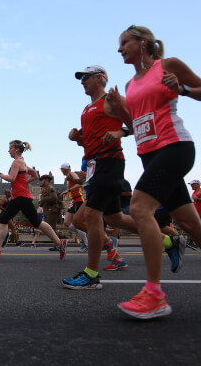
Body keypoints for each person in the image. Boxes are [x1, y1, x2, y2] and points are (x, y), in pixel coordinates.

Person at [107, 25, 201, 319]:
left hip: (175, 147)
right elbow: (136, 127)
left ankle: (154, 294)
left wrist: (182, 90)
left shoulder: (166, 65)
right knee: (188, 222)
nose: (119, 48)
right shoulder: (130, 84)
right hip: (150, 155)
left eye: (124, 43)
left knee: (138, 208)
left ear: (142, 42)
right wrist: (120, 109)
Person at [62, 65, 136, 289]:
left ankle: (91, 274)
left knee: (91, 217)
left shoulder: (111, 99)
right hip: (96, 166)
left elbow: (136, 123)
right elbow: (92, 142)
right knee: (115, 219)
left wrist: (120, 131)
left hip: (109, 162)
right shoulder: (86, 109)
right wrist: (78, 139)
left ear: (100, 79)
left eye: (85, 77)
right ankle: (167, 238)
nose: (82, 81)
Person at [0, 140, 67, 259]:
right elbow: (35, 175)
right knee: (4, 218)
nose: (9, 151)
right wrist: (23, 182)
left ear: (16, 149)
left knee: (37, 222)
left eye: (10, 148)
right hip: (18, 197)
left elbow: (11, 178)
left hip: (22, 197)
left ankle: (60, 243)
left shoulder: (16, 162)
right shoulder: (22, 162)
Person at [59, 163, 88, 252]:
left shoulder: (72, 174)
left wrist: (67, 190)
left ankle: (86, 243)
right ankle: (86, 234)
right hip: (72, 201)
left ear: (65, 169)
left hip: (78, 200)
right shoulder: (68, 177)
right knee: (67, 223)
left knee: (77, 223)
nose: (61, 171)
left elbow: (79, 184)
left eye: (62, 169)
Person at [187, 179, 201, 250]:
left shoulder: (200, 191)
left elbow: (197, 199)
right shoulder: (194, 192)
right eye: (191, 184)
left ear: (197, 184)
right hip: (196, 213)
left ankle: (191, 242)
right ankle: (191, 242)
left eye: (193, 184)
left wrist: (198, 199)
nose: (191, 186)